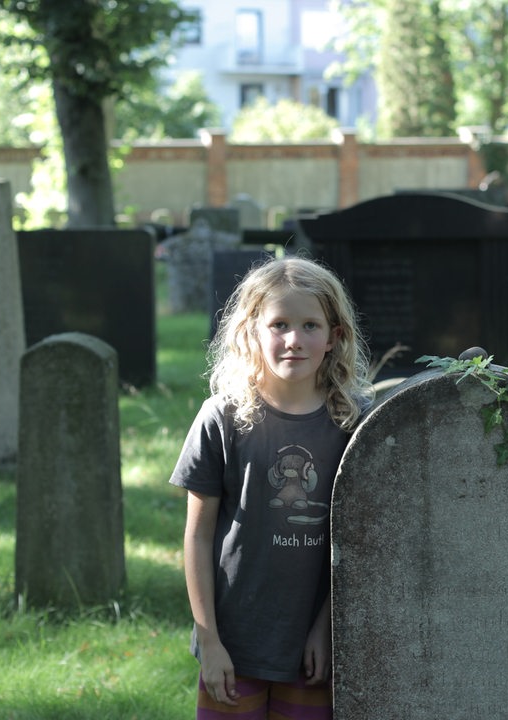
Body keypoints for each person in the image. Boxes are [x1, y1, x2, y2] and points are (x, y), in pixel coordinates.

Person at [171, 255, 372, 719]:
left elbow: (355, 541)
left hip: (310, 647)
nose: (294, 340)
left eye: (310, 325)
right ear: (250, 332)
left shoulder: (353, 423)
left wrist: (326, 628)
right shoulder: (221, 419)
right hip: (234, 642)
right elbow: (198, 536)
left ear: (334, 337)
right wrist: (209, 640)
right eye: (278, 324)